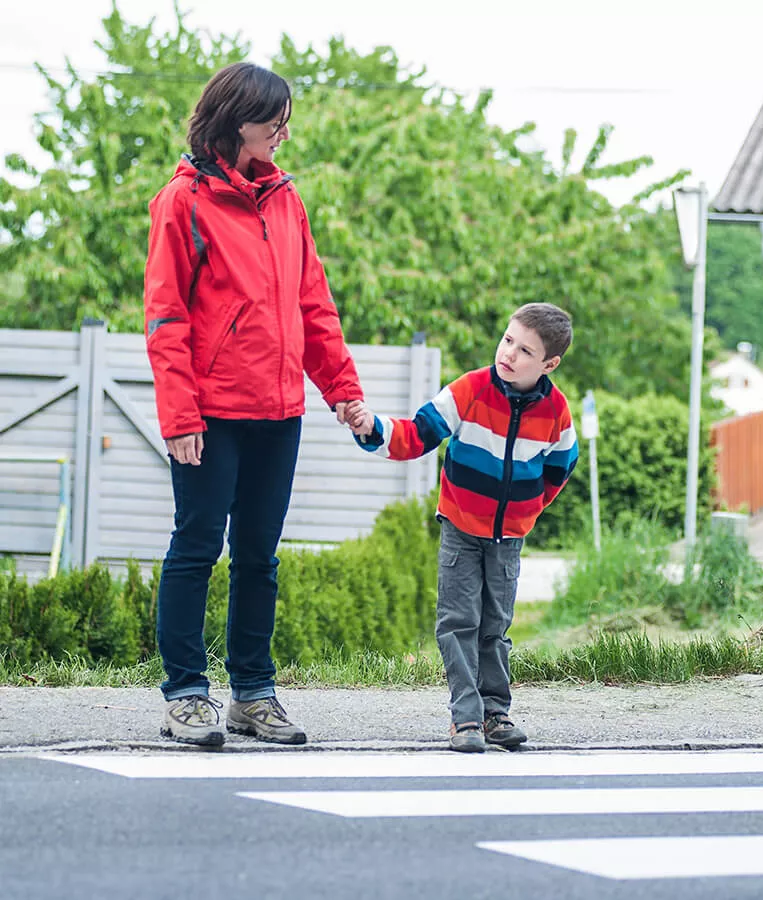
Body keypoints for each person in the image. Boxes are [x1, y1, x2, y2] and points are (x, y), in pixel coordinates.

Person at [144, 62, 364, 747]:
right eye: (276, 122)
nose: (284, 133)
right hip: (211, 412)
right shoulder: (181, 202)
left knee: (259, 557)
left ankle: (253, 695)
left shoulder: (286, 201)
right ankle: (185, 694)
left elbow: (313, 304)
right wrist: (180, 417)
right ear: (238, 119)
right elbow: (165, 318)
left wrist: (344, 392)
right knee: (196, 546)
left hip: (279, 411)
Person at [345, 303, 578, 752]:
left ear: (549, 364)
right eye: (508, 340)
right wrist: (371, 428)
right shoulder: (469, 390)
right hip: (460, 529)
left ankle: (496, 713)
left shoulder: (556, 412)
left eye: (525, 350)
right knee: (458, 622)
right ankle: (465, 719)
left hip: (508, 538)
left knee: (496, 625)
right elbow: (417, 434)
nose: (508, 353)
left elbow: (560, 468)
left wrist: (526, 512)